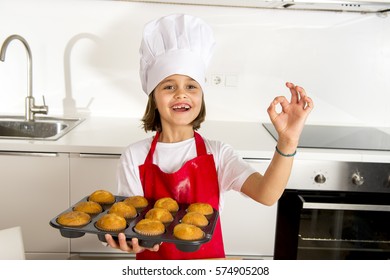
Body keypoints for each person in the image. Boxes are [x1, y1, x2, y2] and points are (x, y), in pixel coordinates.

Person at [105, 14, 313, 260]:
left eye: (191, 86)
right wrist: (132, 242)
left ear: (201, 96)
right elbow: (129, 223)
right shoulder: (134, 156)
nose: (181, 94)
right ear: (153, 97)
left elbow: (267, 194)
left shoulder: (218, 154)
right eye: (169, 86)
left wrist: (287, 141)